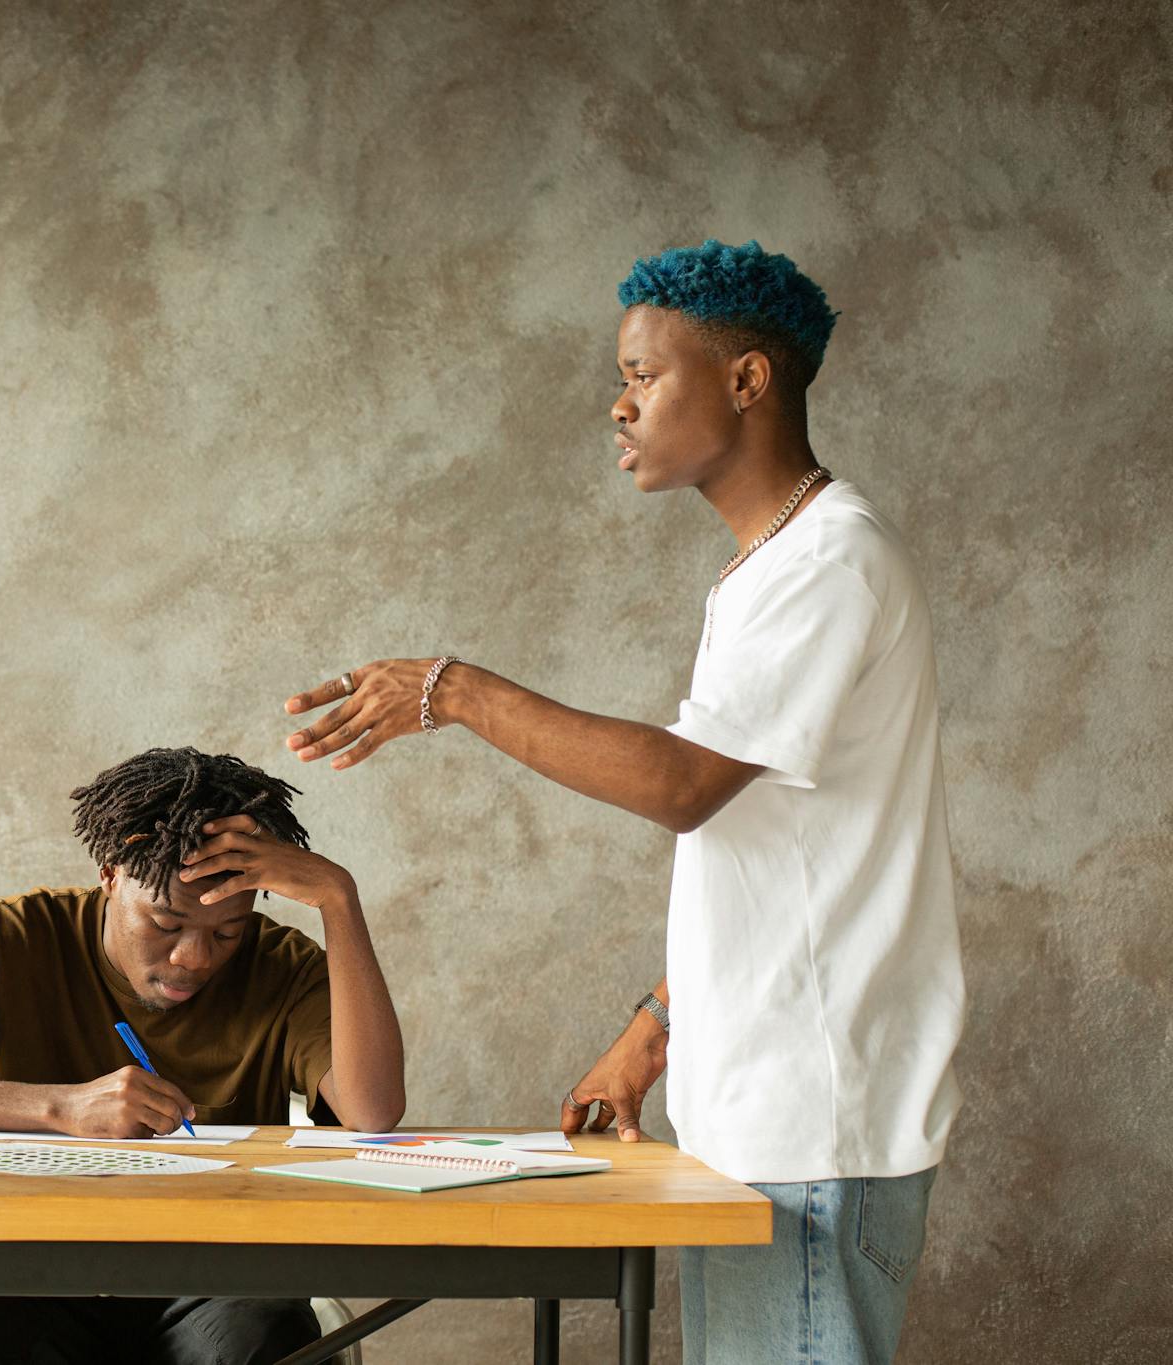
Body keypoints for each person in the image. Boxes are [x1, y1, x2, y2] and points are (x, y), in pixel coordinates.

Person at [279, 240, 963, 1365]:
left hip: (813, 1119)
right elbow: (778, 856)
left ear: (745, 381)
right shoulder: (771, 569)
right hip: (769, 1112)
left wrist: (448, 691)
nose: (619, 402)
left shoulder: (825, 565)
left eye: (643, 374)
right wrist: (651, 1037)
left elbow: (681, 788)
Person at [0, 746, 405, 1365]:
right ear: (110, 873)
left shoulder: (283, 967)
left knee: (266, 1340)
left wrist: (339, 899)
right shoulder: (20, 937)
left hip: (221, 1274)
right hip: (38, 1271)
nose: (194, 958)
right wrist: (61, 1108)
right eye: (166, 923)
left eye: (226, 933)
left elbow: (372, 1109)